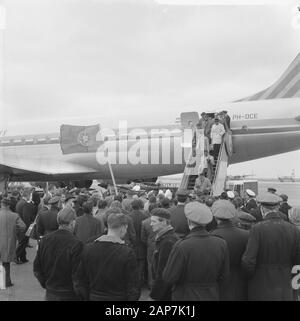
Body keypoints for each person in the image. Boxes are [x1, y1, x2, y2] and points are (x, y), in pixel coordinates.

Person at [163, 202, 230, 301]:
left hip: (185, 295)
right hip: (211, 294)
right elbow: (224, 275)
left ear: (189, 221)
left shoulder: (182, 245)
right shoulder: (221, 243)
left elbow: (169, 277)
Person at [242, 193, 300, 301]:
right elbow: (298, 261)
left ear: (262, 209)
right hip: (285, 283)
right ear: (278, 208)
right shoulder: (293, 230)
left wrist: (251, 277)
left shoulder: (257, 229)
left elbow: (248, 260)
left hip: (261, 283)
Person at [74, 213, 140, 301]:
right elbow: (133, 285)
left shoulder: (88, 248)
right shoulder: (127, 252)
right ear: (124, 228)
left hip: (94, 296)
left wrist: (87, 297)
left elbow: (80, 280)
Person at [33, 206, 83, 301]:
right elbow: (78, 276)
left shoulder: (45, 240)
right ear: (72, 222)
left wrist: (46, 284)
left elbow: (37, 269)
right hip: (69, 294)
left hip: (51, 292)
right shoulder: (76, 244)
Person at [211, 200, 249, 301]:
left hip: (220, 284)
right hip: (242, 281)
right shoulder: (246, 235)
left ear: (215, 216)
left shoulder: (213, 236)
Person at [149, 208, 179, 301]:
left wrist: (154, 296)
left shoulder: (168, 242)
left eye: (154, 221)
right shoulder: (164, 237)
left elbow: (163, 272)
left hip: (165, 293)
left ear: (164, 222)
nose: (151, 224)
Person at [0, 197, 26, 287]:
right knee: (6, 263)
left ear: (1, 204)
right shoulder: (15, 215)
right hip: (8, 243)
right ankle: (7, 282)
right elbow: (23, 227)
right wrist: (15, 231)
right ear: (9, 205)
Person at [129, 199, 149, 289]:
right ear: (141, 205)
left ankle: (133, 283)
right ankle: (140, 283)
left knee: (132, 265)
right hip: (142, 244)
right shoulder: (145, 216)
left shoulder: (128, 216)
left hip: (131, 245)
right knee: (141, 265)